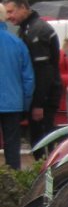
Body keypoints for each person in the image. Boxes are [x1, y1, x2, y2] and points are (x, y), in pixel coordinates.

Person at [2, 0, 61, 145]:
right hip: (41, 96)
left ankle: (46, 169)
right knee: (37, 141)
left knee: (41, 143)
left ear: (23, 8)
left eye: (10, 11)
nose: (8, 17)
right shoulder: (27, 28)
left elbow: (44, 71)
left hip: (44, 97)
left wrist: (38, 104)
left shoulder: (36, 31)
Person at [0, 27, 35, 169]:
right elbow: (28, 78)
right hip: (13, 103)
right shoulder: (17, 43)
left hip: (12, 102)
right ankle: (13, 181)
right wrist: (25, 104)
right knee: (12, 146)